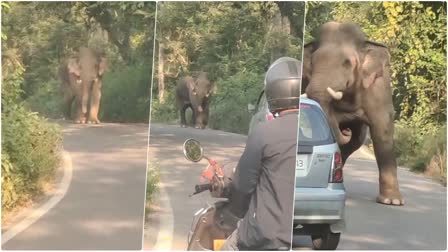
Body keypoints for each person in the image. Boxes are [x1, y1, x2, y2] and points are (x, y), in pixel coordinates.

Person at [222, 57, 302, 250]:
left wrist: (234, 214)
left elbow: (242, 186)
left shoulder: (264, 132)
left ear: (272, 92)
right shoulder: (311, 131)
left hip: (264, 234)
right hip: (294, 234)